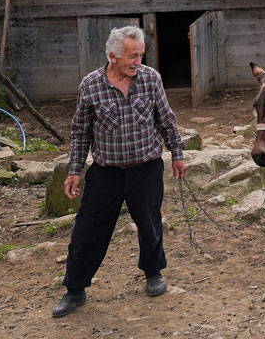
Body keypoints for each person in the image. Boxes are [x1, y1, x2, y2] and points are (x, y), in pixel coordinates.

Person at [52, 25, 188, 318]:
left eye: (140, 55)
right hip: (106, 172)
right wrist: (74, 170)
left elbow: (167, 120)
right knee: (87, 231)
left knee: (150, 224)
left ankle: (153, 273)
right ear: (113, 56)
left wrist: (177, 154)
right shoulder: (90, 85)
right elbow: (80, 133)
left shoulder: (151, 79)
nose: (138, 61)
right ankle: (75, 290)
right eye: (131, 56)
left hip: (146, 169)